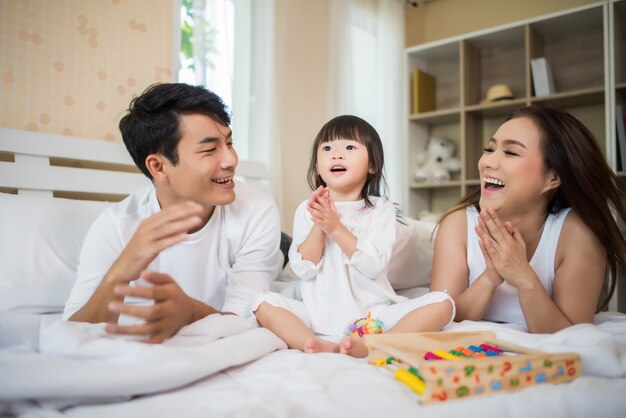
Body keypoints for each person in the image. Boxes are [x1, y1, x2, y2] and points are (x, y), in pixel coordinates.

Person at [63, 83, 281, 343]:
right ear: (158, 167)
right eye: (210, 150)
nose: (231, 160)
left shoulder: (257, 210)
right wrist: (119, 273)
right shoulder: (116, 225)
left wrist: (192, 312)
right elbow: (73, 333)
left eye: (229, 142)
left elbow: (246, 321)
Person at [253, 115, 455, 357]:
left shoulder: (380, 209)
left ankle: (376, 344)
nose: (337, 155)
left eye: (349, 147)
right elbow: (303, 269)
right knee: (261, 302)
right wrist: (321, 224)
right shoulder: (307, 209)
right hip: (317, 313)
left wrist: (336, 227)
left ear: (373, 165)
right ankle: (311, 342)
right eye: (327, 148)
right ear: (318, 166)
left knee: (443, 304)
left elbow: (372, 265)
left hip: (373, 315)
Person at [430, 106, 626, 333]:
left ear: (553, 176)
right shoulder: (457, 225)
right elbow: (438, 320)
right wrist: (490, 278)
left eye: (510, 153)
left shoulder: (578, 234)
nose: (488, 162)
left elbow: (573, 337)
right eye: (490, 149)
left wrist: (522, 276)